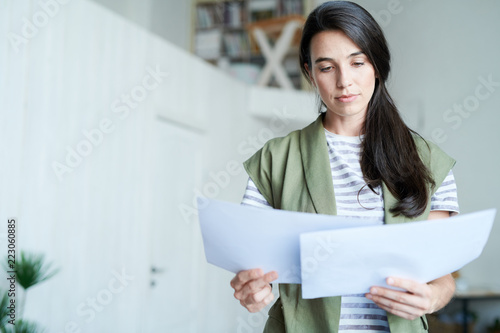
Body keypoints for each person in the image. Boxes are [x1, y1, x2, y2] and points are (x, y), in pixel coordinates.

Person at [230, 1, 459, 332]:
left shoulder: (427, 159)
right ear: (310, 73)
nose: (344, 82)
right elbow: (251, 263)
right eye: (327, 67)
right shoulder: (276, 159)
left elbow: (442, 275)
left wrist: (433, 297)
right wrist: (252, 289)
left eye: (357, 62)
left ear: (376, 66)